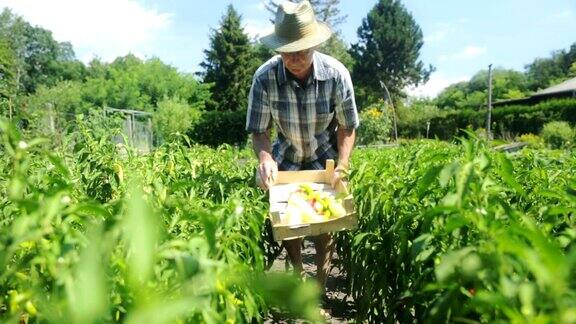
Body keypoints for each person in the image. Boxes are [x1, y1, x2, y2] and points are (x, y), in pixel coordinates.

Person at [246, 0, 359, 296]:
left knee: (326, 219)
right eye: (287, 52)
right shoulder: (264, 78)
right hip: (286, 153)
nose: (294, 58)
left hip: (324, 154)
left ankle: (320, 284)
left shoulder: (336, 75)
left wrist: (343, 166)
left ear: (314, 46)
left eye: (301, 51)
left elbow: (347, 126)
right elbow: (259, 130)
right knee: (287, 216)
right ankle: (297, 272)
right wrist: (266, 158)